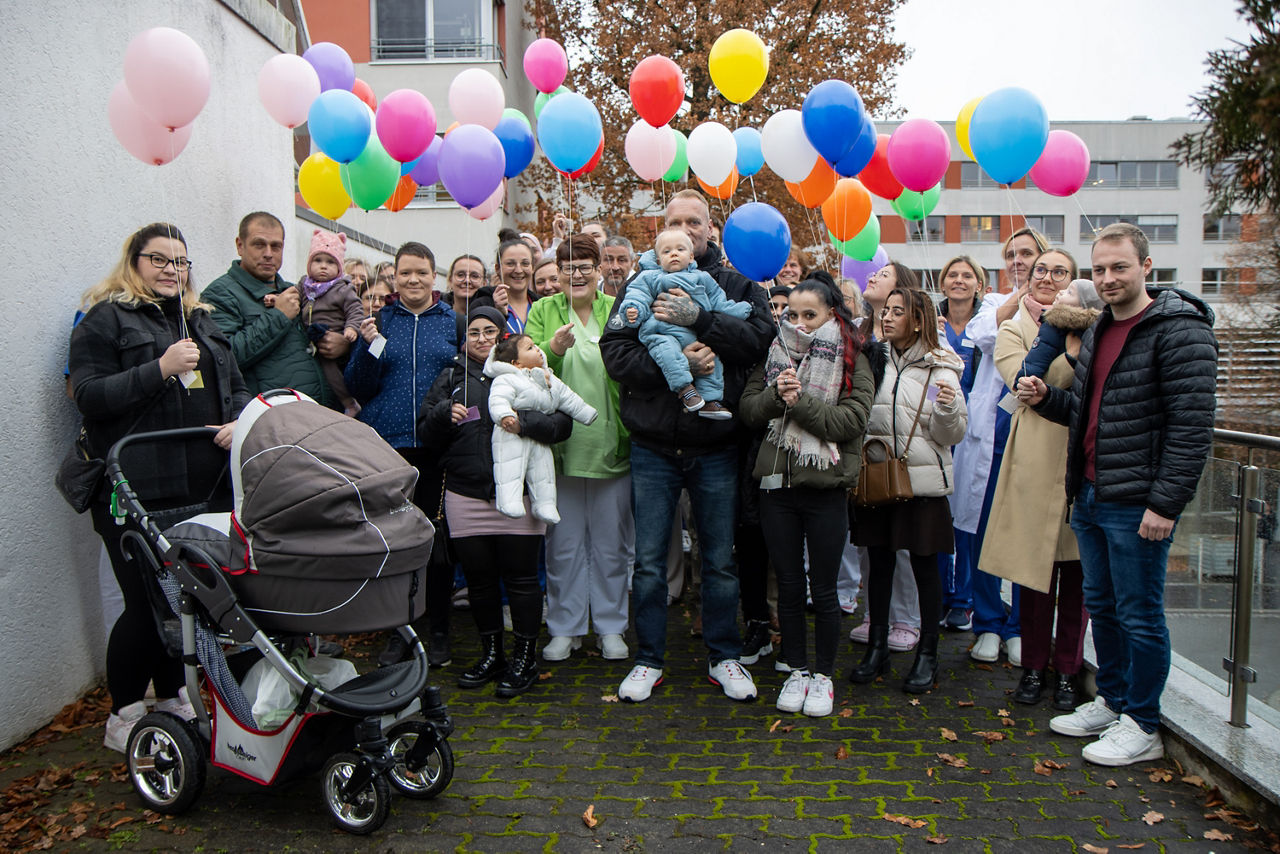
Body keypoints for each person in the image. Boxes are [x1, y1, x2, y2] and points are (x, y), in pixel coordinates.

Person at [1019, 222, 1218, 766]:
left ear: (1147, 267)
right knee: (1103, 608)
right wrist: (1044, 398)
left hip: (1139, 503)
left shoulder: (1179, 330)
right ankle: (1113, 700)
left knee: (1140, 614)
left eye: (1119, 267)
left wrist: (1165, 504)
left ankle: (1144, 723)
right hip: (1090, 496)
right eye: (1100, 269)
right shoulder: (1101, 327)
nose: (1107, 278)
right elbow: (1088, 413)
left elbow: (1191, 427)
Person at [69, 223, 249, 752]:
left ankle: (171, 697)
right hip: (136, 489)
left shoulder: (201, 319)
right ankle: (124, 712)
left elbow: (235, 385)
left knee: (185, 602)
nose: (173, 269)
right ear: (135, 261)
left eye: (182, 261)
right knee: (146, 604)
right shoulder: (106, 319)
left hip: (204, 486)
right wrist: (159, 368)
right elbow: (88, 395)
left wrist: (238, 418)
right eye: (160, 259)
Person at [601, 189, 773, 703]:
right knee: (649, 562)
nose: (686, 229)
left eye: (694, 222)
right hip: (654, 445)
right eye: (675, 221)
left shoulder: (739, 283)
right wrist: (676, 371)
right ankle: (648, 658)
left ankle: (724, 656)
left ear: (708, 230)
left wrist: (700, 320)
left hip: (717, 444)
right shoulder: (640, 283)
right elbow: (615, 352)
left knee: (720, 559)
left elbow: (758, 341)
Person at [418, 307, 575, 698]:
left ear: (505, 337)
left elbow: (562, 425)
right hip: (464, 494)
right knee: (480, 583)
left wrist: (524, 424)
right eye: (474, 331)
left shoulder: (532, 373)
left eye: (491, 331)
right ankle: (492, 654)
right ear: (464, 338)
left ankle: (525, 658)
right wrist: (441, 415)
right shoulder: (451, 376)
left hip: (518, 494)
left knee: (522, 581)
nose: (483, 338)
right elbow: (425, 433)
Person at [739, 277, 876, 717]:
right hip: (777, 488)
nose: (798, 323)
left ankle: (824, 676)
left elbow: (848, 423)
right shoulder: (773, 354)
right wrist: (776, 397)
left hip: (826, 490)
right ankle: (796, 669)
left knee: (824, 588)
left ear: (832, 315)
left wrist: (797, 404)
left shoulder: (854, 357)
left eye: (809, 315)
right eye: (791, 315)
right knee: (790, 586)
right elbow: (748, 410)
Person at [982, 249, 1094, 712]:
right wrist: (1064, 346)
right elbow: (1022, 382)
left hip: (1079, 461)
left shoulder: (1097, 326)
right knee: (1033, 578)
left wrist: (1066, 361)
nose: (1048, 277)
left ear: (1072, 279)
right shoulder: (1012, 329)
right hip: (1032, 457)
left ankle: (1068, 671)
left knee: (1077, 579)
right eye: (1040, 269)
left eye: (1059, 272)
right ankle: (1032, 666)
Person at [344, 241, 458, 668]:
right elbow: (358, 386)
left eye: (422, 273)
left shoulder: (452, 321)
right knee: (393, 542)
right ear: (394, 275)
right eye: (405, 272)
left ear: (434, 277)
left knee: (436, 542)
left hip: (437, 447)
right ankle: (399, 631)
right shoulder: (380, 322)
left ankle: (440, 630)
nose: (414, 280)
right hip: (387, 448)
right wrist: (371, 345)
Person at [850, 287, 967, 694]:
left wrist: (950, 409)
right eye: (886, 310)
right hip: (878, 479)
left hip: (923, 484)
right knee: (878, 565)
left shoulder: (942, 367)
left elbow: (951, 434)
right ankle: (877, 647)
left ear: (918, 320)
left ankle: (928, 655)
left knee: (924, 568)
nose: (887, 317)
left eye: (898, 312)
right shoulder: (873, 359)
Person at [526, 234, 634, 663]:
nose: (577, 273)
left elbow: (631, 363)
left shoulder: (616, 310)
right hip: (561, 448)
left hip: (610, 443)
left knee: (611, 545)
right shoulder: (543, 310)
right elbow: (524, 366)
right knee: (564, 545)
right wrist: (552, 350)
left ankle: (611, 627)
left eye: (585, 265)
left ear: (600, 270)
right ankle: (565, 628)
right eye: (568, 266)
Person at [953, 227, 1049, 666]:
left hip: (1039, 431)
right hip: (991, 430)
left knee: (1028, 533)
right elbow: (984, 337)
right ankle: (988, 621)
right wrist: (1021, 296)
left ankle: (1020, 628)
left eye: (1028, 254)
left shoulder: (1066, 302)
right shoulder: (993, 303)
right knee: (984, 528)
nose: (1019, 260)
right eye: (1011, 254)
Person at [847, 261, 924, 654]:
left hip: (899, 449)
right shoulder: (857, 331)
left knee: (902, 542)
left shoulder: (914, 336)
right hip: (861, 449)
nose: (873, 276)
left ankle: (906, 619)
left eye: (885, 274)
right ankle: (873, 615)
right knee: (867, 540)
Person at [617, 228, 752, 418]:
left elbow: (718, 302)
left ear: (690, 257)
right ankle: (685, 389)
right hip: (660, 331)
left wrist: (738, 310)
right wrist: (634, 309)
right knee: (667, 352)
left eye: (679, 249)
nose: (673, 253)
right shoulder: (650, 277)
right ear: (658, 260)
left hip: (693, 334)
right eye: (666, 251)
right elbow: (638, 294)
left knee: (711, 360)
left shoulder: (703, 278)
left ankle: (710, 401)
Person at [201, 212, 329, 403]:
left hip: (313, 409)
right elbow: (223, 358)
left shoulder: (293, 290)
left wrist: (337, 343)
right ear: (240, 245)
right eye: (259, 244)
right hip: (269, 416)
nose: (268, 253)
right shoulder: (219, 293)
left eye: (276, 246)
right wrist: (279, 316)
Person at [485, 333, 598, 523]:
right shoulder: (507, 379)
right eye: (529, 348)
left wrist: (586, 413)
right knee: (510, 468)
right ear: (516, 363)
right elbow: (498, 398)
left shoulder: (549, 378)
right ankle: (508, 500)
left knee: (543, 472)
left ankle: (545, 505)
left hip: (539, 436)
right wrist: (504, 414)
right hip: (511, 433)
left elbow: (568, 398)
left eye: (535, 345)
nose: (537, 349)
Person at [936, 256, 986, 632]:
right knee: (939, 515)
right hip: (939, 427)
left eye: (967, 275)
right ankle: (938, 592)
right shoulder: (930, 320)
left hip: (977, 431)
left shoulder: (988, 324)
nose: (959, 280)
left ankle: (963, 599)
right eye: (952, 274)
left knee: (967, 516)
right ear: (943, 282)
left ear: (978, 284)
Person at [288, 229, 362, 415]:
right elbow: (291, 297)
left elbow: (355, 310)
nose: (323, 266)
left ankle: (349, 403)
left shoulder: (343, 288)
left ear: (339, 267)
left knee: (331, 372)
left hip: (332, 334)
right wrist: (275, 299)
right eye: (318, 260)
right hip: (310, 337)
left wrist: (351, 328)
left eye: (330, 262)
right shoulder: (305, 285)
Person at [493, 239, 538, 334]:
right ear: (497, 268)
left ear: (533, 267)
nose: (518, 270)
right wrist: (499, 314)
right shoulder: (484, 304)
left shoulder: (543, 306)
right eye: (510, 264)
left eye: (525, 264)